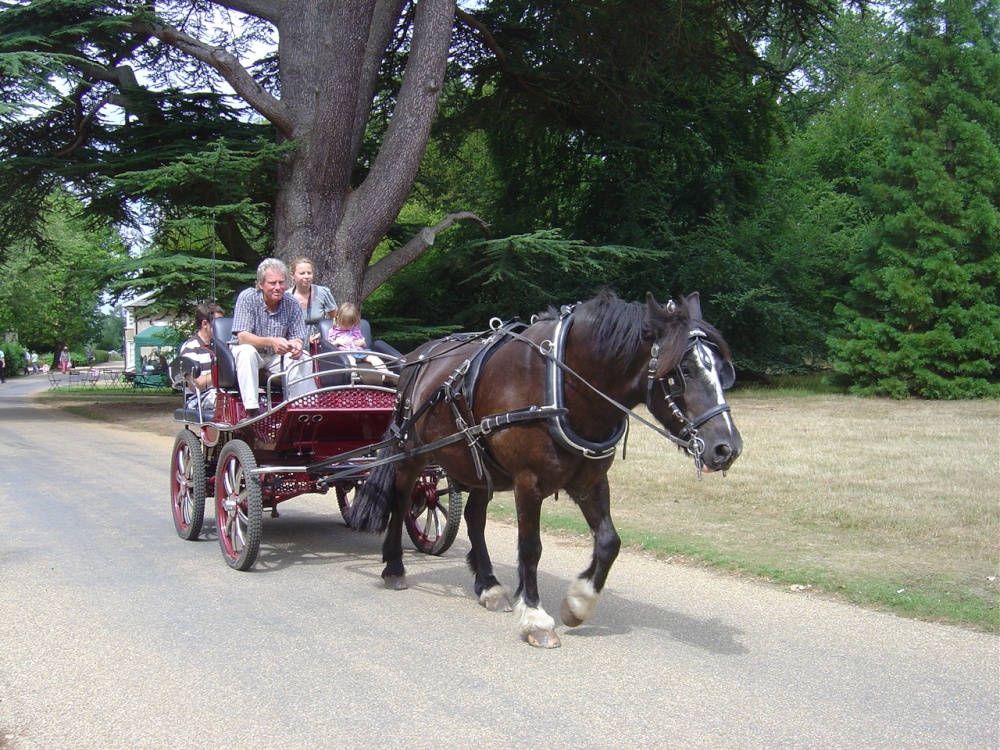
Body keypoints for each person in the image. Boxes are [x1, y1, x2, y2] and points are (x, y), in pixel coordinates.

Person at [230, 258, 315, 418]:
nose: (278, 287)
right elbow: (243, 337)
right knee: (246, 351)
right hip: (250, 352)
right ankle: (251, 410)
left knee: (304, 357)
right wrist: (272, 341)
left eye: (281, 283)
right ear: (261, 284)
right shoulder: (247, 298)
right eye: (272, 283)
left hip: (276, 356)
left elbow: (297, 336)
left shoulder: (291, 302)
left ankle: (303, 410)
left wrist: (296, 346)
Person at [327, 302, 391, 384]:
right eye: (345, 324)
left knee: (374, 358)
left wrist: (362, 343)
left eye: (350, 324)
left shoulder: (355, 330)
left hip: (359, 352)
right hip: (346, 353)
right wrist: (338, 342)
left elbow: (364, 344)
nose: (347, 327)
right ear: (338, 319)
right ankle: (354, 373)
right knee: (351, 360)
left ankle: (385, 373)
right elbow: (329, 345)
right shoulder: (334, 331)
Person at [178, 302, 224, 413]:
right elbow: (195, 385)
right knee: (224, 400)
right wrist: (222, 374)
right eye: (218, 323)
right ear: (205, 324)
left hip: (219, 392)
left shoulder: (221, 346)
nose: (221, 327)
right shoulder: (190, 348)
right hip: (197, 398)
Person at [289, 257, 337, 352]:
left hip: (319, 343)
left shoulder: (322, 293)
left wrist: (324, 335)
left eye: (309, 273)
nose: (306, 276)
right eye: (302, 273)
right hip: (295, 344)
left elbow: (337, 319)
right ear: (292, 275)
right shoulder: (286, 297)